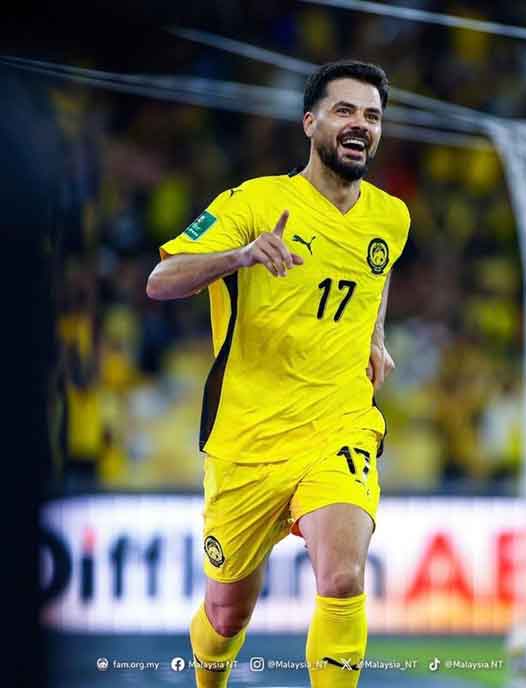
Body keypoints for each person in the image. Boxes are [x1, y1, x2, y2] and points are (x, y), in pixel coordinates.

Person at [146, 60, 410, 688]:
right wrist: (239, 256)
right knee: (226, 614)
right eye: (345, 111)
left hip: (339, 425)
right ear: (309, 122)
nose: (361, 124)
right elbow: (160, 282)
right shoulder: (254, 202)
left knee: (342, 578)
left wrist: (376, 336)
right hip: (249, 440)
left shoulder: (391, 217)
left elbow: (376, 275)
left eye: (372, 116)